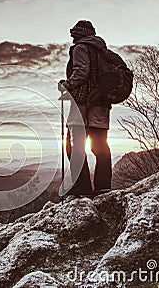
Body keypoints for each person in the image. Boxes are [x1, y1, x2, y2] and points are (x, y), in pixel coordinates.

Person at [59, 20, 112, 197]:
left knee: (73, 147)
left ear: (79, 34)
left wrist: (66, 84)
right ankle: (103, 188)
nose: (72, 37)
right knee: (100, 148)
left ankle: (82, 189)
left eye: (74, 33)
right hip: (101, 107)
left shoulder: (81, 48)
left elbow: (82, 72)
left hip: (83, 108)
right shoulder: (101, 51)